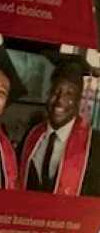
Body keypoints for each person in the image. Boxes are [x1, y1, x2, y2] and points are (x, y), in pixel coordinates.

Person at [19, 61, 100, 197]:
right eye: (56, 91)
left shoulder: (96, 144)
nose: (60, 100)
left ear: (78, 100)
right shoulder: (32, 135)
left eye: (69, 94)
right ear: (48, 95)